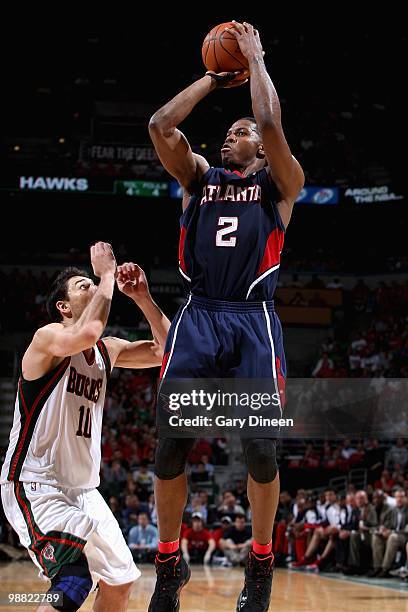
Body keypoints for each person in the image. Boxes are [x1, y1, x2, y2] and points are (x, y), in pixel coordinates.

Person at [148, 20, 304, 611]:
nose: (227, 139)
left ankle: (259, 566)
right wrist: (213, 80)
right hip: (198, 315)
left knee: (262, 452)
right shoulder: (197, 177)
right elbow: (161, 126)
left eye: (237, 134)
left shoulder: (281, 183)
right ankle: (169, 563)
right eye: (226, 133)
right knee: (169, 447)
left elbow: (268, 122)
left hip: (251, 319)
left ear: (260, 151)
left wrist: (257, 59)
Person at [0, 243, 170, 612]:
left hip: (84, 490)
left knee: (121, 579)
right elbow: (89, 332)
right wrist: (107, 274)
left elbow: (167, 351)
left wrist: (142, 298)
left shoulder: (107, 350)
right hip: (36, 484)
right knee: (74, 580)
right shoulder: (48, 339)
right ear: (63, 307)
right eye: (82, 285)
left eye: (94, 283)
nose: (93, 286)